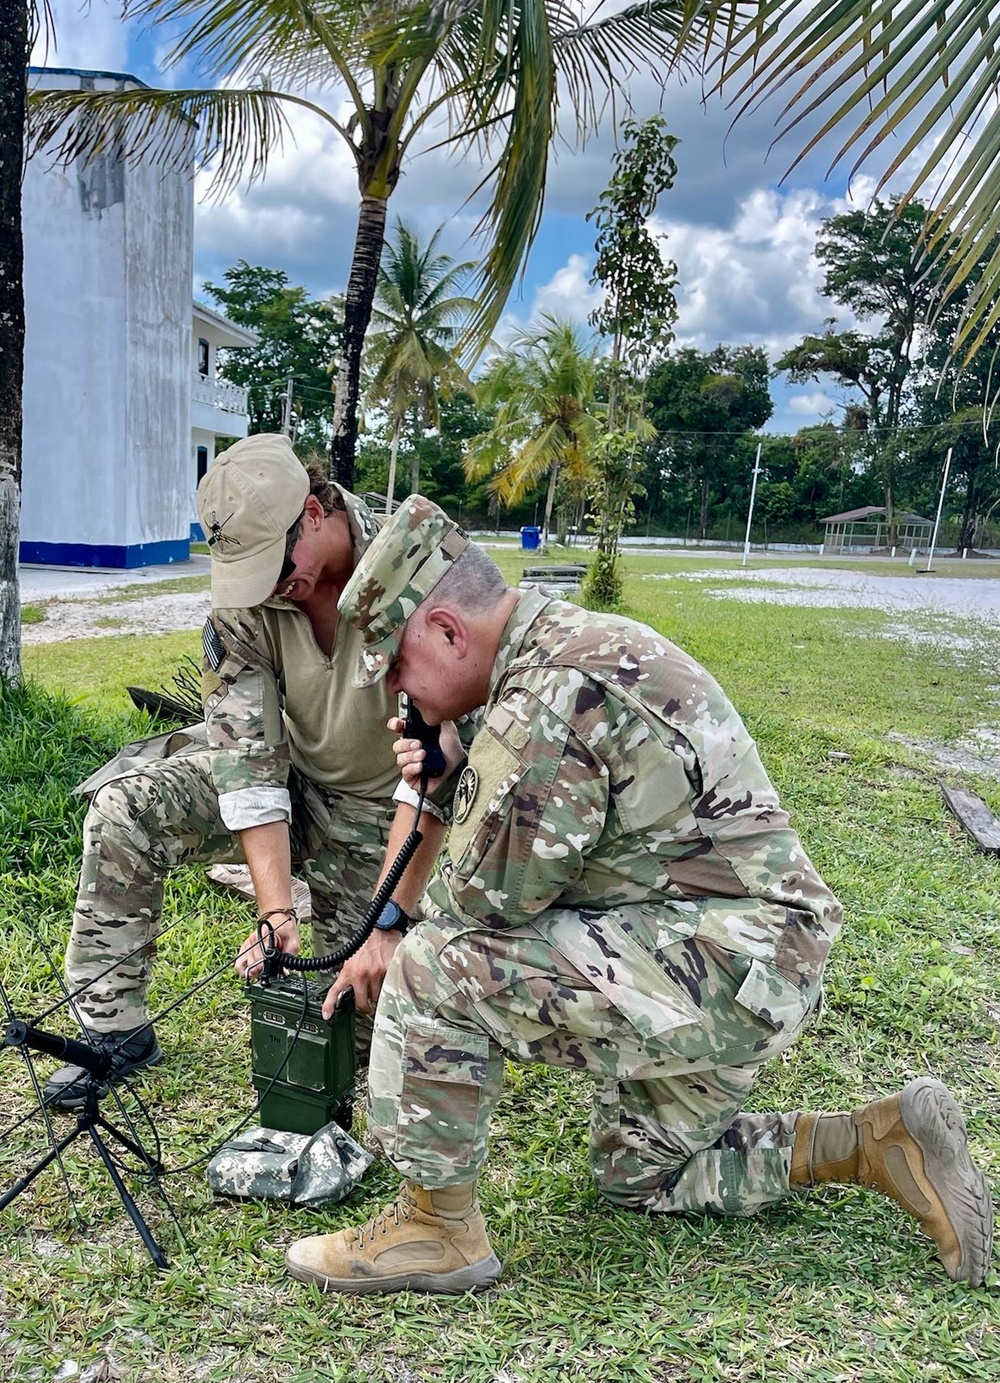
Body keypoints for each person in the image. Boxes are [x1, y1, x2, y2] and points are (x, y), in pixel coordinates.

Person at [283, 494, 994, 1295]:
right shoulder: (562, 648)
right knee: (639, 1175)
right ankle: (873, 1142)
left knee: (433, 963)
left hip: (727, 966)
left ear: (448, 631)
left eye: (398, 667)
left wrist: (445, 786)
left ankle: (434, 1228)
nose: (394, 695)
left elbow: (478, 907)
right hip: (752, 959)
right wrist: (456, 766)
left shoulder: (548, 698)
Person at [45, 436, 443, 1109]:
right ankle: (113, 1029)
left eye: (278, 560)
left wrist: (387, 919)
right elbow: (248, 760)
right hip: (292, 782)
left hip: (391, 812)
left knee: (364, 1026)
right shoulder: (247, 597)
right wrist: (275, 907)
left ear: (314, 510)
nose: (271, 582)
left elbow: (439, 766)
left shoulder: (412, 563)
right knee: (125, 808)